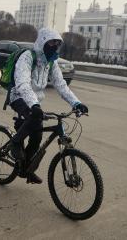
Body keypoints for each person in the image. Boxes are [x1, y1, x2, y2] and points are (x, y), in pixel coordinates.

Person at [9, 28, 88, 184]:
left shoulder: (51, 62)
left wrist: (76, 102)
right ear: (43, 41)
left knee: (37, 137)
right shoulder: (27, 57)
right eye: (51, 42)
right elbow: (22, 84)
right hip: (18, 96)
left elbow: (61, 85)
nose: (54, 46)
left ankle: (26, 168)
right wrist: (34, 105)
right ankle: (15, 143)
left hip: (35, 101)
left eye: (57, 44)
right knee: (33, 118)